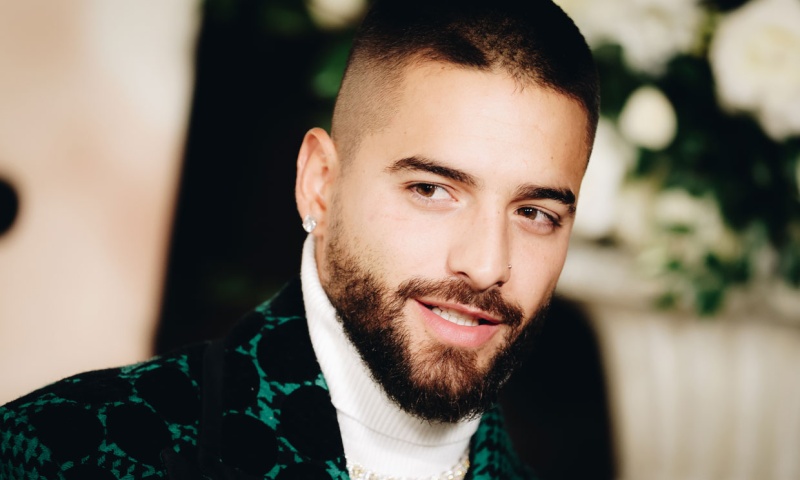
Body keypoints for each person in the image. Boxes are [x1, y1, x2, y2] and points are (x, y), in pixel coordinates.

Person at [0, 0, 599, 478]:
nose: (487, 263)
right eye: (430, 190)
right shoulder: (56, 452)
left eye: (535, 213)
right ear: (320, 184)